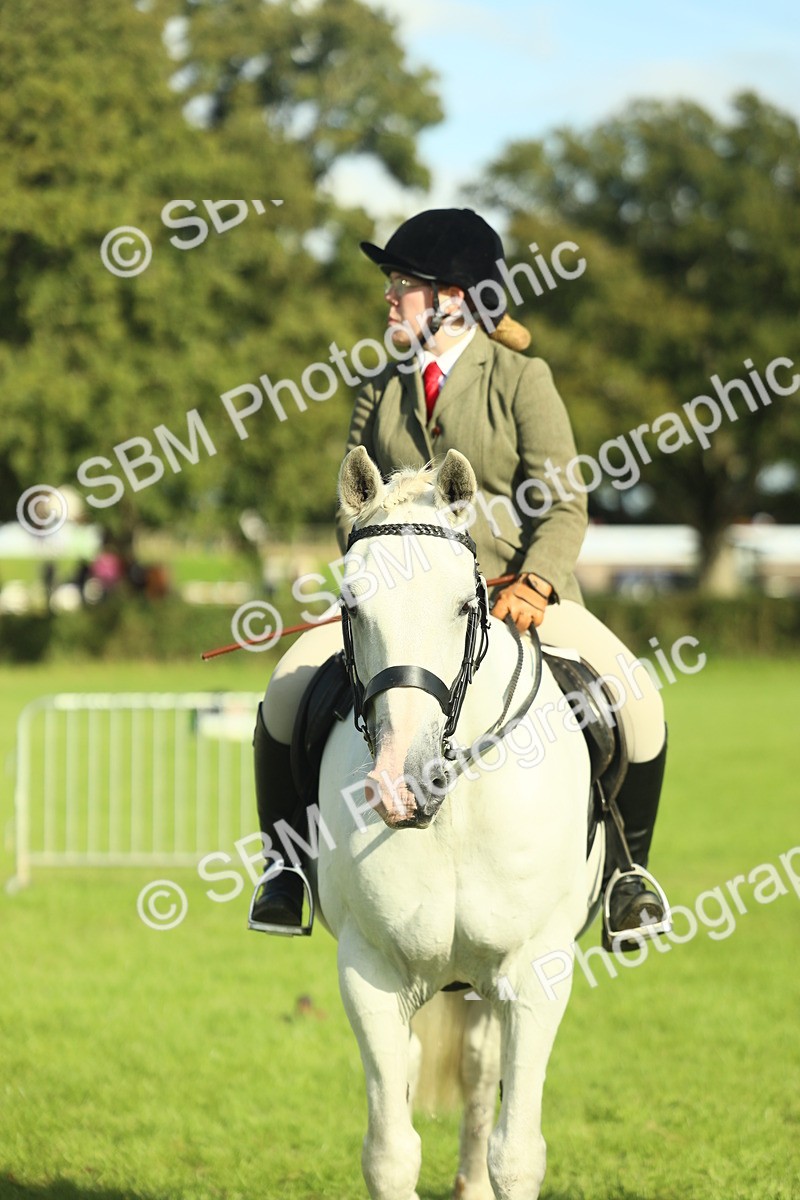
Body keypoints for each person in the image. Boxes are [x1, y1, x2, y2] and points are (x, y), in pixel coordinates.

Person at [251, 208, 669, 949]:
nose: (388, 298)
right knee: (285, 691)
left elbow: (566, 501)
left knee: (638, 700)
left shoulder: (519, 378)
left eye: (400, 284)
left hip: (515, 599)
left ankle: (626, 877)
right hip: (405, 608)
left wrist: (536, 583)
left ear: (451, 297)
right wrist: (376, 568)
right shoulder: (379, 387)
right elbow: (349, 503)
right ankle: (285, 871)